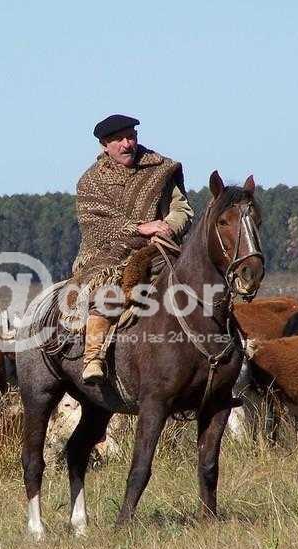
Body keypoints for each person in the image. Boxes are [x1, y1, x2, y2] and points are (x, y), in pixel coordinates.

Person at [71, 114, 194, 384]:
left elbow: (181, 208)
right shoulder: (90, 182)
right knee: (107, 290)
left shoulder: (160, 169)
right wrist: (139, 227)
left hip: (161, 248)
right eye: (119, 139)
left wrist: (168, 227)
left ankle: (226, 355)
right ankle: (93, 357)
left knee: (202, 283)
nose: (128, 144)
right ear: (105, 145)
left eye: (131, 137)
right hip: (108, 254)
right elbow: (95, 224)